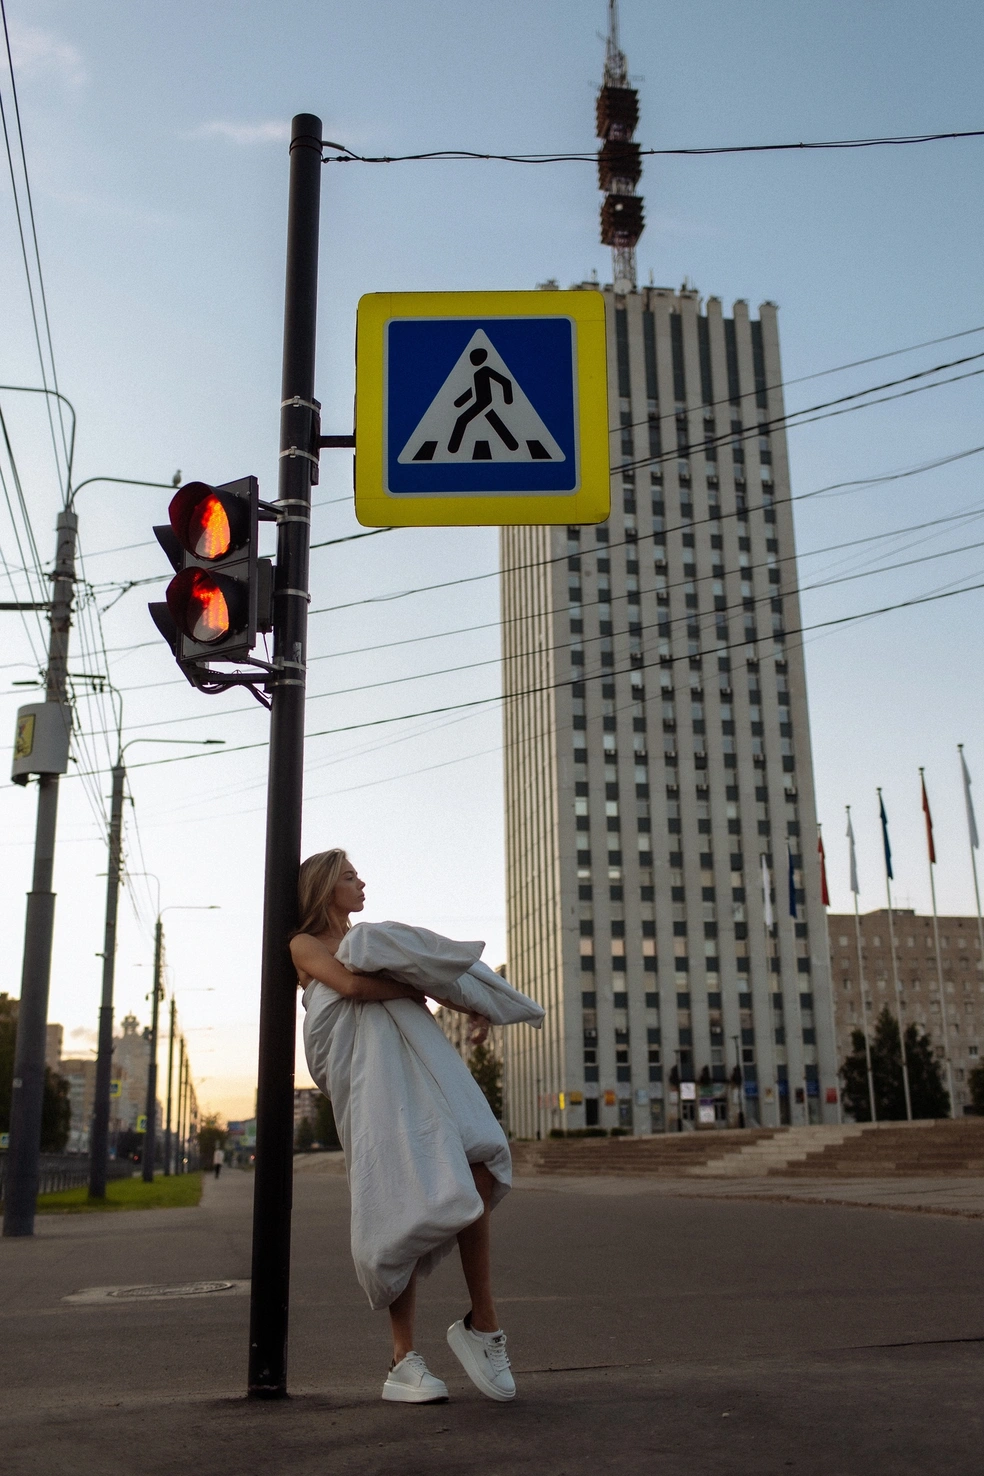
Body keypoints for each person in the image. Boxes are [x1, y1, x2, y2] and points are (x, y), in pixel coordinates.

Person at [290, 849, 517, 1406]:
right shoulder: (306, 944)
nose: (361, 882)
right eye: (349, 876)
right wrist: (412, 992)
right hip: (366, 1076)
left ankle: (482, 1324)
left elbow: (431, 976)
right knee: (398, 1198)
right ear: (323, 888)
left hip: (408, 1064)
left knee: (476, 1167)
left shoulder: (375, 942)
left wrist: (471, 1005)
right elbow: (349, 987)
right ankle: (402, 1358)